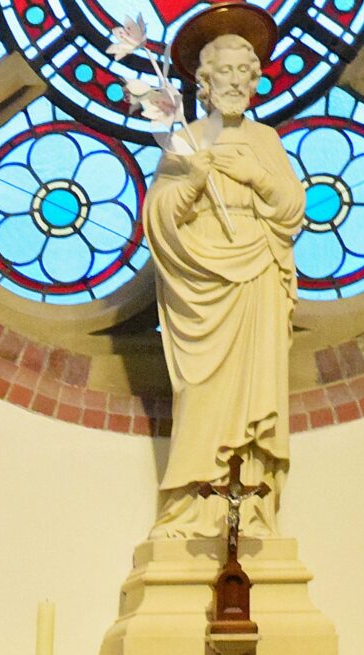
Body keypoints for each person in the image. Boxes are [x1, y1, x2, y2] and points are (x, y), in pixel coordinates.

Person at [145, 5, 305, 541]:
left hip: (257, 276)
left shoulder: (265, 142)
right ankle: (189, 507)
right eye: (224, 74)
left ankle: (253, 511)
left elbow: (292, 211)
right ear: (204, 84)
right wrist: (193, 181)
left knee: (257, 392)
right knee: (201, 393)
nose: (235, 83)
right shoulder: (186, 141)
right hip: (203, 280)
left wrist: (257, 176)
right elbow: (159, 216)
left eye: (244, 73)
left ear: (256, 82)